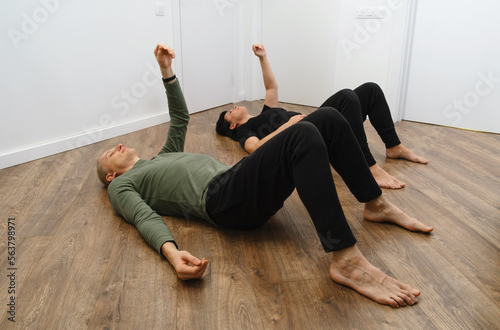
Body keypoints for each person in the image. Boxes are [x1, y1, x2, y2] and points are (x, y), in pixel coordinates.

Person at [97, 43, 433, 308]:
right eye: (109, 154)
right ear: (111, 176)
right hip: (222, 200)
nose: (118, 146)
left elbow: (180, 117)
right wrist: (172, 253)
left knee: (329, 117)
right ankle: (345, 259)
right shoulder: (123, 186)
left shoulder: (163, 156)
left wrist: (166, 70)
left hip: (236, 180)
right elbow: (143, 218)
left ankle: (375, 203)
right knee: (302, 134)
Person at [216, 44, 428, 189]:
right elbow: (256, 148)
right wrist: (287, 125)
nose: (235, 106)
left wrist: (263, 58)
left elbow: (271, 86)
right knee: (346, 96)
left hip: (316, 121)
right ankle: (368, 166)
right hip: (307, 135)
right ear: (232, 126)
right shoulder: (245, 130)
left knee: (370, 90)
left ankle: (394, 147)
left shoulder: (265, 112)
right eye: (230, 112)